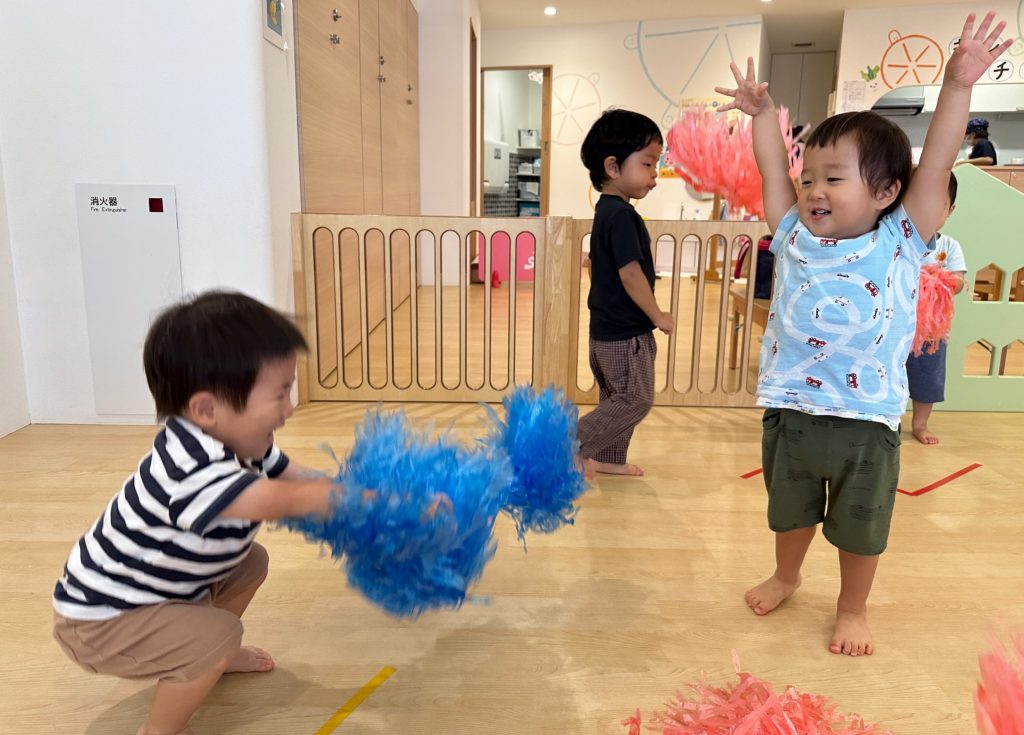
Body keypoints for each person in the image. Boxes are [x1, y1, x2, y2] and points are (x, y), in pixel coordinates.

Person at [716, 12, 1011, 656]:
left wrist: (958, 85)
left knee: (862, 527)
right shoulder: (793, 232)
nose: (814, 189)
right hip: (793, 410)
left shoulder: (901, 241)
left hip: (867, 419)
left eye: (834, 178)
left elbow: (933, 168)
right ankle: (787, 574)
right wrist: (762, 116)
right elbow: (772, 174)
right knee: (788, 512)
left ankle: (852, 609)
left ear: (884, 193)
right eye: (811, 176)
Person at [52, 291, 339, 735]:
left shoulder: (244, 443)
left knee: (251, 562)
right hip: (100, 621)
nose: (291, 407)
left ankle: (207, 658)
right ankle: (162, 727)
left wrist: (351, 488)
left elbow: (294, 478)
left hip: (152, 596)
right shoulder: (191, 467)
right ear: (207, 409)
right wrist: (362, 506)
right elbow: (279, 501)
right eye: (280, 394)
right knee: (219, 635)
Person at [577, 109, 673, 477]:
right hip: (624, 334)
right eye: (649, 165)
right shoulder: (622, 217)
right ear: (614, 167)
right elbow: (631, 274)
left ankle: (606, 458)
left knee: (615, 398)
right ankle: (570, 444)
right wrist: (657, 316)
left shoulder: (606, 212)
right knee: (636, 399)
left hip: (603, 333)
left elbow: (595, 267)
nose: (654, 177)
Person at [906, 172, 967, 445]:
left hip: (931, 331)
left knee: (927, 378)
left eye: (937, 205)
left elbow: (959, 281)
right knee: (890, 373)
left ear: (950, 209)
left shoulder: (948, 246)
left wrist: (943, 279)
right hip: (898, 325)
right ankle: (887, 421)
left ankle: (920, 423)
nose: (926, 212)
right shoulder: (901, 242)